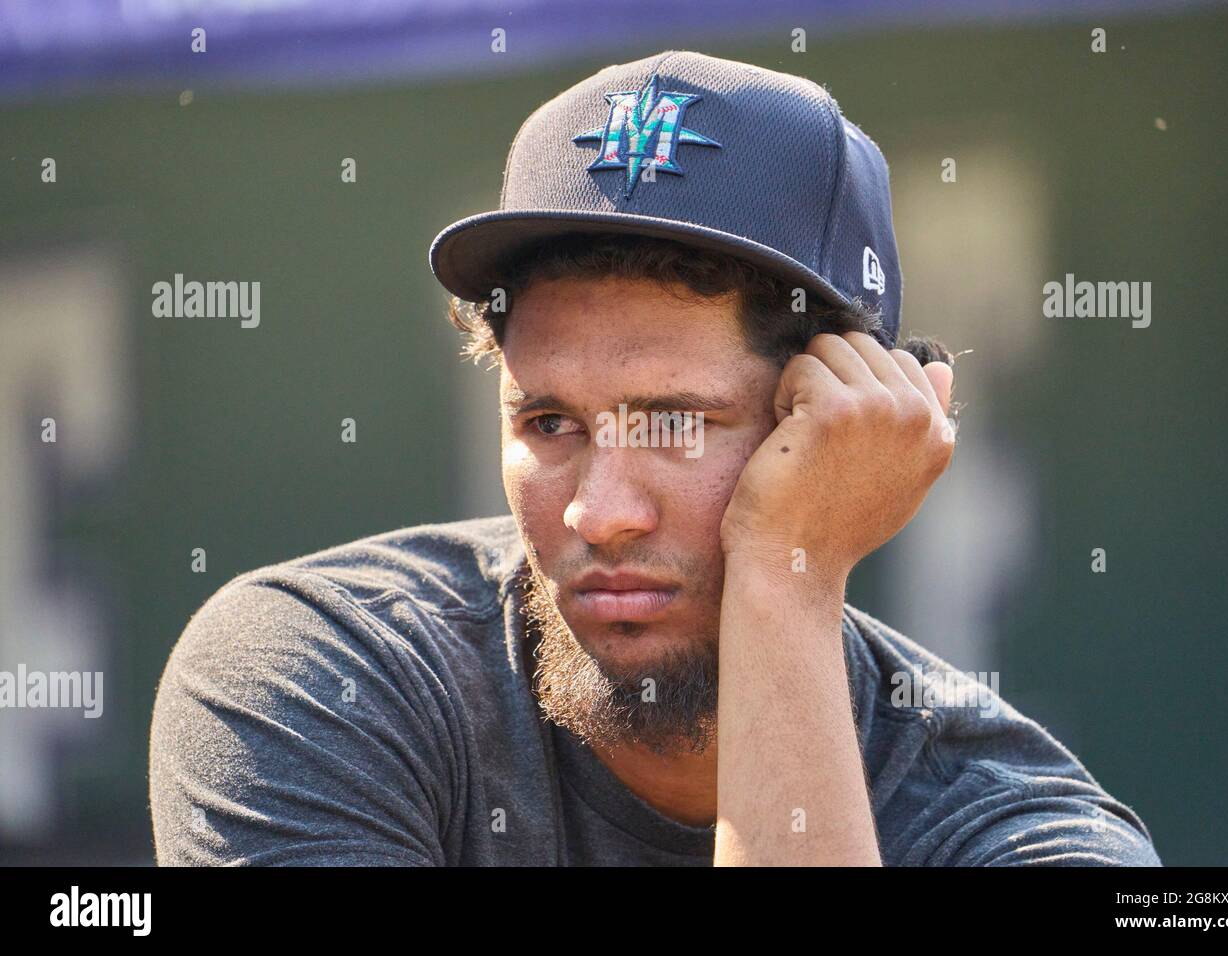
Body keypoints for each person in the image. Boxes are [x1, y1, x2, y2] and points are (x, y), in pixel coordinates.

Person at [148, 50, 1161, 866]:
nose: (600, 512)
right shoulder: (325, 682)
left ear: (844, 420)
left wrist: (786, 577)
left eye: (672, 422)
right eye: (549, 422)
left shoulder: (1012, 829)